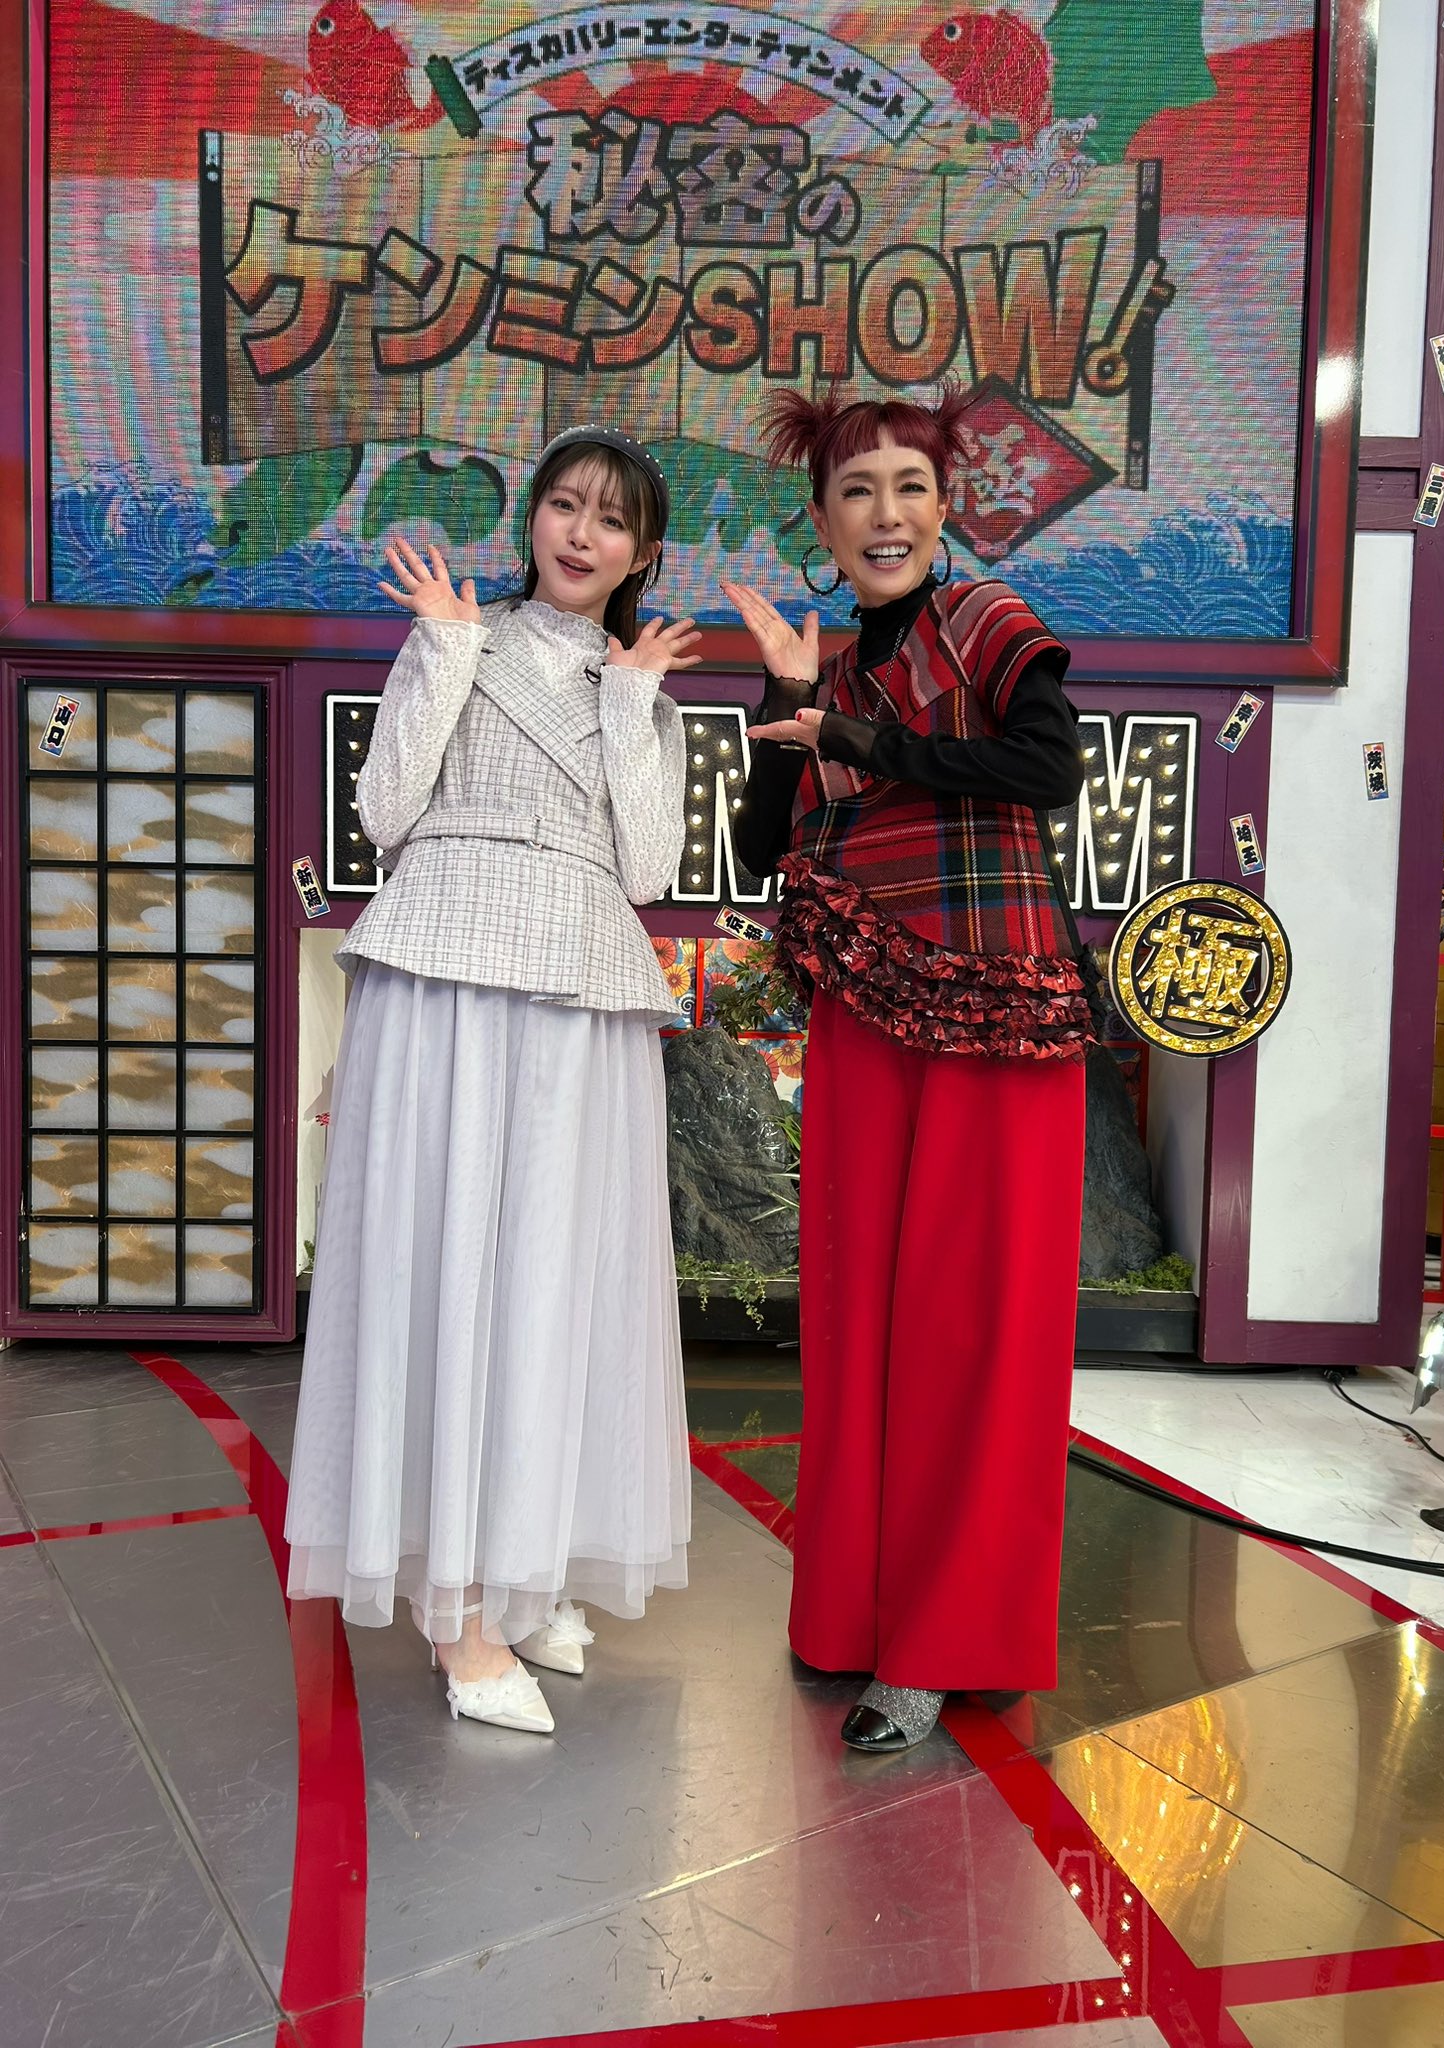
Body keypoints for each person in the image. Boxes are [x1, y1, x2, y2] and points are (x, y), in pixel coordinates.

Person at [285, 426, 698, 1735]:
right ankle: (456, 1607)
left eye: (612, 520)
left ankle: (522, 1572)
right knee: (448, 1266)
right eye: (565, 506)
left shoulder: (641, 688)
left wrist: (630, 700)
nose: (582, 533)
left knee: (554, 1279)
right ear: (532, 519)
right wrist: (448, 653)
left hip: (581, 981)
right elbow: (386, 813)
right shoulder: (457, 636)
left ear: (641, 553)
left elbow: (648, 871)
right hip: (445, 966)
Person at [725, 387, 1091, 1752]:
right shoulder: (823, 670)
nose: (886, 514)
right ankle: (856, 1614)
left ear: (945, 509)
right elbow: (760, 847)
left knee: (973, 1329)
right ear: (822, 523)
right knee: (858, 1321)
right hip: (869, 1014)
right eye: (857, 491)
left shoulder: (984, 620)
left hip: (996, 1017)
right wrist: (791, 701)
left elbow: (1045, 765)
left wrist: (855, 738)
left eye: (911, 487)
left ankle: (946, 1644)